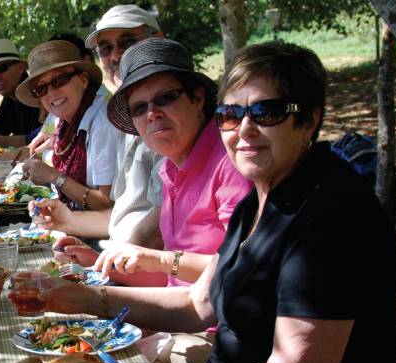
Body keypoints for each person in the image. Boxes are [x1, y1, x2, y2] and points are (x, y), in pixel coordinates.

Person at [43, 41, 396, 363]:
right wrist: (85, 298)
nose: (243, 130)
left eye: (266, 112)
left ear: (309, 119)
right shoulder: (261, 198)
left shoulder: (331, 217)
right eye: (231, 115)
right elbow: (200, 304)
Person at [54, 38, 251, 288]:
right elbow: (171, 279)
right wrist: (95, 262)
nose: (152, 113)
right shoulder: (169, 167)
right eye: (138, 108)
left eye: (166, 98)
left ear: (198, 99)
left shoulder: (231, 161)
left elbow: (241, 269)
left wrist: (160, 260)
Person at [28, 8, 168, 245]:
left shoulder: (111, 119)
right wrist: (64, 220)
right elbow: (121, 215)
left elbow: (158, 229)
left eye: (127, 42)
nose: (115, 56)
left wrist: (109, 268)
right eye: (105, 48)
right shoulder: (124, 116)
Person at [14, 40, 120, 212]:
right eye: (41, 88)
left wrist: (53, 176)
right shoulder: (64, 123)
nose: (52, 93)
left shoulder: (102, 122)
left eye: (60, 80)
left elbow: (106, 203)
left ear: (83, 80)